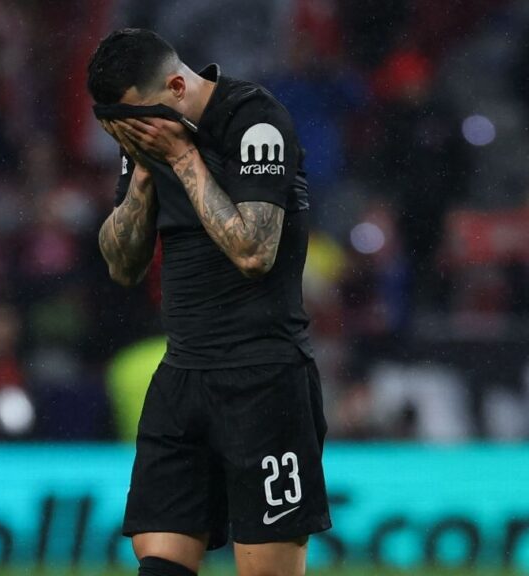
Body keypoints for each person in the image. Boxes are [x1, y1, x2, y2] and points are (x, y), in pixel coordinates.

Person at [86, 29, 330, 576]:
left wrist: (182, 156)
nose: (136, 132)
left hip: (264, 380)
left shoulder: (255, 122)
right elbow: (122, 265)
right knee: (160, 566)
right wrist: (146, 170)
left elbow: (253, 251)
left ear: (176, 85)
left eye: (140, 119)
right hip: (183, 374)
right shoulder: (148, 139)